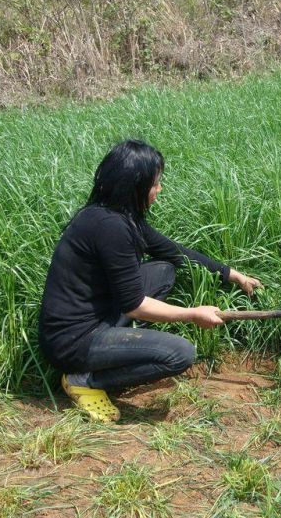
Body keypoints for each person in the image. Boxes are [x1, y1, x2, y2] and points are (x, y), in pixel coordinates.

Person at [38, 139, 262, 423]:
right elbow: (134, 305)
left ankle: (123, 347)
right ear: (135, 187)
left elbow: (174, 252)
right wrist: (193, 314)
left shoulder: (117, 215)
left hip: (96, 313)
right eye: (155, 183)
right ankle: (86, 378)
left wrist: (234, 275)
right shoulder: (111, 228)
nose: (160, 189)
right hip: (73, 340)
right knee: (180, 353)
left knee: (164, 270)